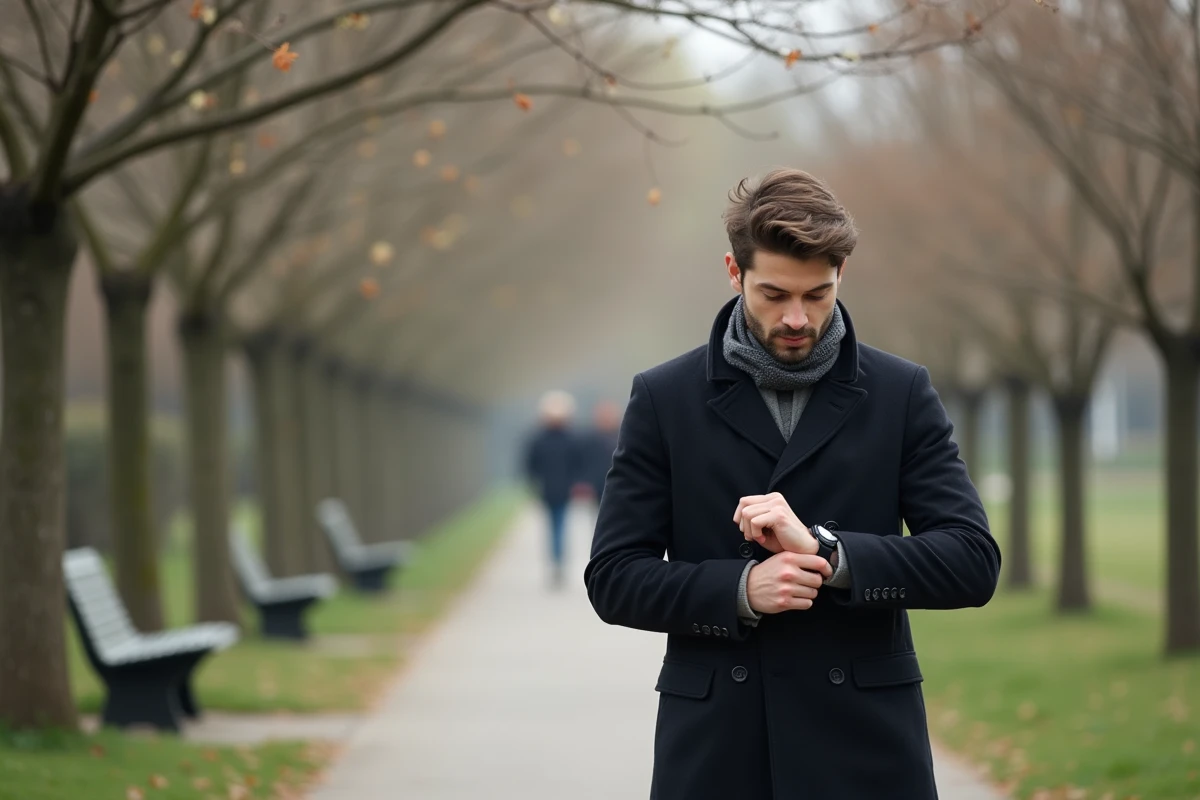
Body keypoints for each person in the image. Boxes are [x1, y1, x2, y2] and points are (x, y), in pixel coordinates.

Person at [584, 168, 1000, 800]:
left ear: (841, 276)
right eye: (774, 294)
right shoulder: (664, 398)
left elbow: (972, 561)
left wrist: (831, 557)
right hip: (718, 750)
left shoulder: (900, 393)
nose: (798, 318)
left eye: (818, 294)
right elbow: (613, 576)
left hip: (866, 751)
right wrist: (740, 588)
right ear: (734, 271)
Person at [524, 389, 582, 589]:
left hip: (549, 490)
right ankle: (558, 561)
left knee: (553, 527)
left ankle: (556, 561)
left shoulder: (539, 439)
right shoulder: (570, 438)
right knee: (559, 526)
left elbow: (531, 465)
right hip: (561, 490)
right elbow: (577, 464)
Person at [576, 399, 622, 505]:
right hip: (597, 483)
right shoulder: (590, 438)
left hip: (618, 480)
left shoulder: (621, 436)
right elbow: (584, 460)